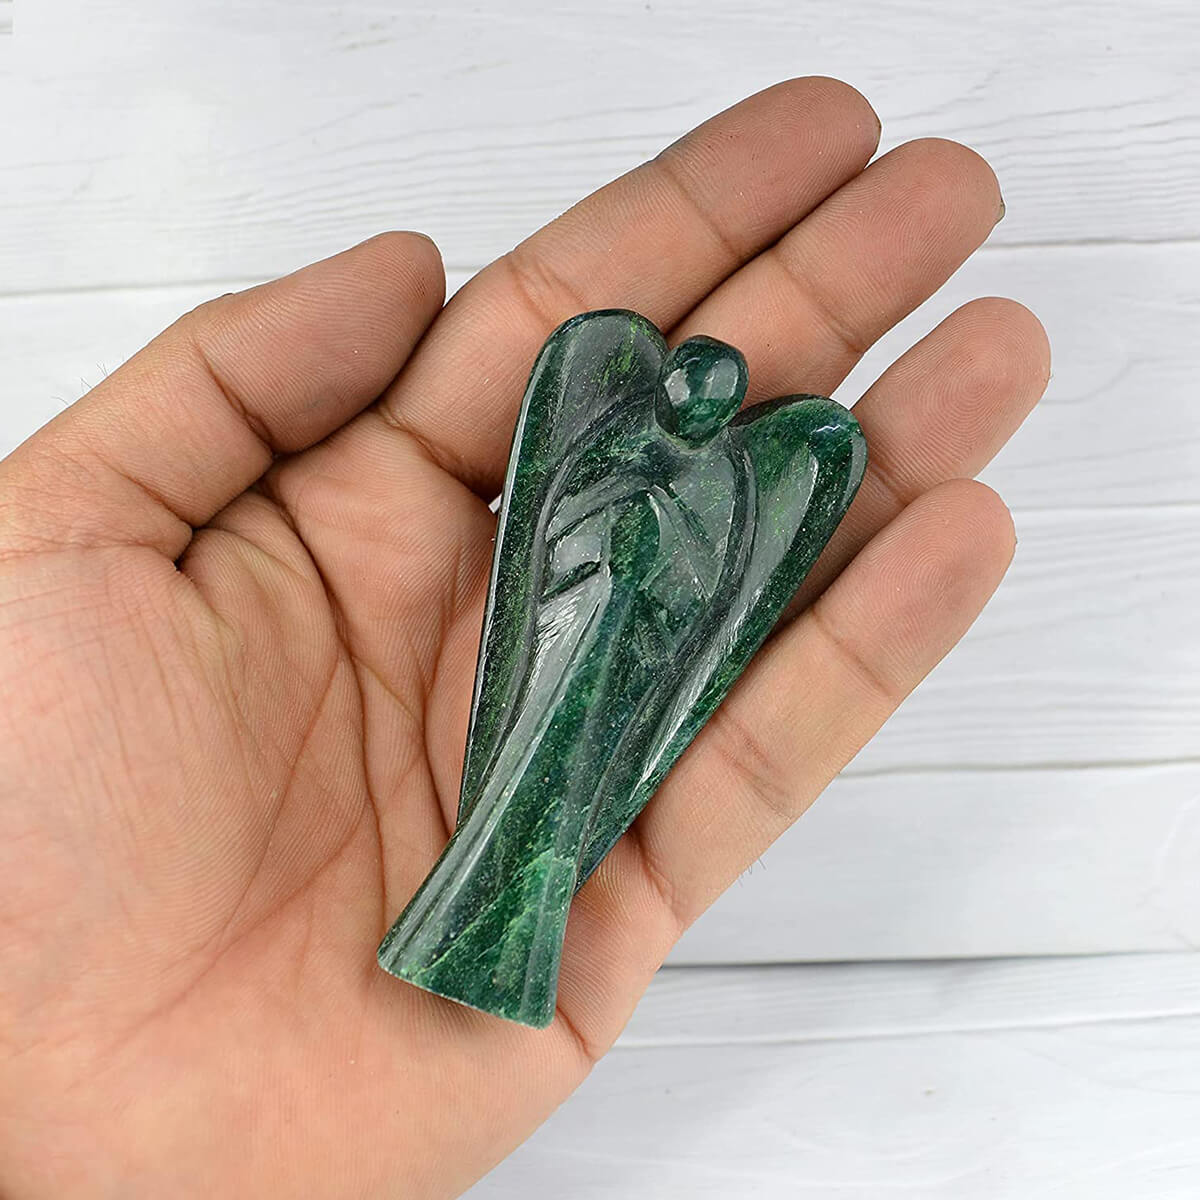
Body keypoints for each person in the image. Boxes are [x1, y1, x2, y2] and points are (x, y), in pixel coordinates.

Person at [0, 77, 1049, 1196]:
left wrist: (651, 568)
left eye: (711, 399)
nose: (694, 409)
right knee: (515, 791)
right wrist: (613, 556)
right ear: (670, 387)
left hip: (625, 664)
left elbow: (707, 591)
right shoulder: (612, 439)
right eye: (688, 390)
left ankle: (494, 948)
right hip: (564, 638)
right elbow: (558, 523)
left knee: (561, 807)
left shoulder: (732, 484)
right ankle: (466, 938)